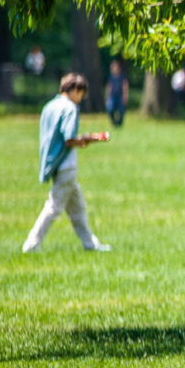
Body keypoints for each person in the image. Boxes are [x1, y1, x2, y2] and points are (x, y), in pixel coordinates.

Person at [22, 73, 112, 253]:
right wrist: (90, 139)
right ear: (75, 90)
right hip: (66, 164)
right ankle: (31, 244)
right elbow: (69, 139)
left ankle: (90, 244)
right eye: (81, 94)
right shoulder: (70, 108)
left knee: (78, 208)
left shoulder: (49, 106)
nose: (81, 99)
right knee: (54, 207)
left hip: (52, 162)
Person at [105, 60, 129, 128]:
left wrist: (125, 95)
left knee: (121, 111)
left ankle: (119, 123)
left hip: (120, 96)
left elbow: (125, 85)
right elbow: (109, 87)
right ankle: (114, 122)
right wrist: (107, 96)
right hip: (112, 96)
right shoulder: (111, 76)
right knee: (110, 109)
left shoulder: (122, 76)